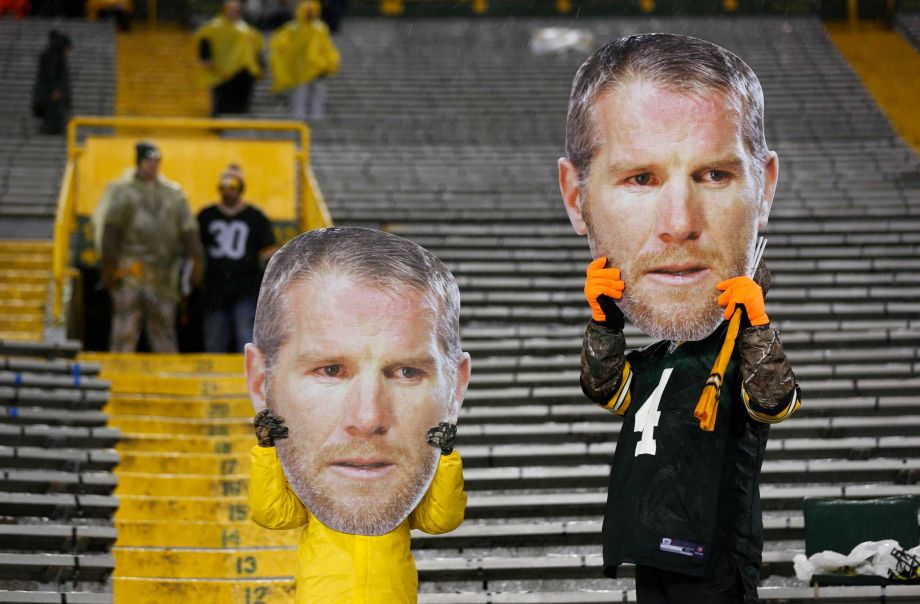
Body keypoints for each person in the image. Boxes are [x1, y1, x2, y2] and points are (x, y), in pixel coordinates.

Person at [558, 34, 802, 603]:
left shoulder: (735, 354)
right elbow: (608, 388)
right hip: (652, 544)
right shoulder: (660, 360)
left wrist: (758, 326)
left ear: (763, 190)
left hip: (712, 552)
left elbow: (774, 400)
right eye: (641, 178)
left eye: (714, 175)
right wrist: (604, 320)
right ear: (577, 198)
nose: (680, 223)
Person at [245, 227, 470, 602]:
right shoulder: (316, 481)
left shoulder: (400, 484)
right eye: (330, 370)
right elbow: (273, 513)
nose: (367, 418)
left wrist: (445, 458)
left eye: (406, 371)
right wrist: (267, 450)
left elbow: (440, 519)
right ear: (260, 381)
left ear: (455, 389)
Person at [96, 141, 203, 353]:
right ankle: (119, 374)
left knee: (163, 328)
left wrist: (195, 257)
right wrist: (109, 261)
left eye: (156, 161)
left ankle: (166, 377)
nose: (153, 165)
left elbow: (187, 228)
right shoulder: (123, 192)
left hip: (164, 271)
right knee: (125, 327)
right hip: (130, 268)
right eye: (148, 161)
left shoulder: (174, 193)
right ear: (139, 162)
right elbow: (112, 229)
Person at [197, 164, 277, 353]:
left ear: (241, 187)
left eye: (233, 185)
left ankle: (246, 382)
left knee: (246, 337)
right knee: (214, 340)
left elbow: (269, 249)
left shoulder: (255, 217)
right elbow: (194, 250)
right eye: (225, 185)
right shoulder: (206, 216)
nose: (228, 190)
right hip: (215, 289)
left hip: (245, 287)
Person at [269, 0, 339, 122]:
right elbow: (280, 42)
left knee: (318, 90)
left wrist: (330, 61)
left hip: (317, 65)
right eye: (308, 11)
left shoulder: (320, 27)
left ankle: (317, 114)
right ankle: (297, 115)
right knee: (299, 91)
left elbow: (327, 46)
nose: (310, 14)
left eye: (312, 11)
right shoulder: (292, 28)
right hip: (299, 65)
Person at [194, 0, 264, 116]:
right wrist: (206, 58)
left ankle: (238, 121)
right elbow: (204, 40)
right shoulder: (214, 26)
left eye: (236, 11)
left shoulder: (247, 30)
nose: (232, 13)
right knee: (220, 101)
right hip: (220, 71)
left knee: (241, 101)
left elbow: (256, 49)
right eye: (230, 10)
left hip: (242, 71)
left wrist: (260, 66)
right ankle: (219, 125)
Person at [31, 29, 71, 135]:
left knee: (53, 113)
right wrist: (56, 89)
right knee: (53, 113)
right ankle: (52, 130)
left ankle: (53, 129)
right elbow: (51, 74)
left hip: (47, 93)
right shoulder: (55, 56)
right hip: (51, 94)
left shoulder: (50, 54)